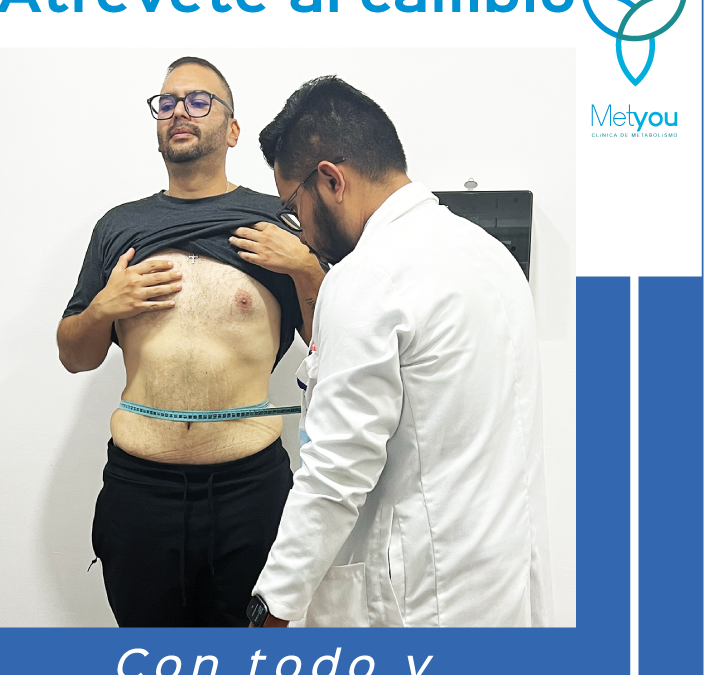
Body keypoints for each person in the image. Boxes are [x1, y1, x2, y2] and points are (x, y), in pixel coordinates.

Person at [245, 76, 554, 627]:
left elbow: (335, 470)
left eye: (294, 207)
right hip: (499, 587)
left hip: (422, 606)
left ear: (331, 181)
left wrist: (271, 609)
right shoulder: (489, 254)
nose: (301, 231)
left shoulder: (367, 276)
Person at [56, 57, 325, 627]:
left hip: (249, 491)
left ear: (232, 129)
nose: (180, 111)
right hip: (140, 491)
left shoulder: (276, 221)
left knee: (251, 654)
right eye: (167, 102)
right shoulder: (119, 228)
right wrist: (104, 307)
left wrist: (306, 267)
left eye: (199, 101)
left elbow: (332, 343)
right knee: (150, 654)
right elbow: (74, 356)